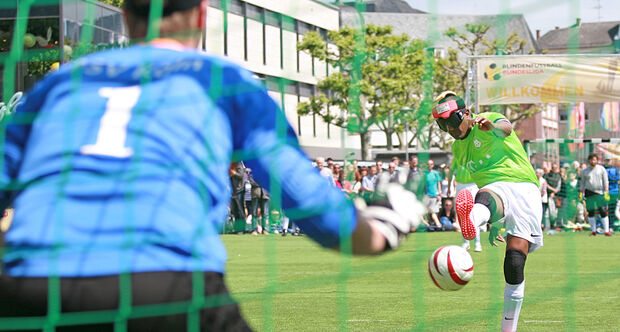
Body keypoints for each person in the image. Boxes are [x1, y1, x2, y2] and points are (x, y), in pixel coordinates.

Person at [0, 1, 425, 330]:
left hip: (32, 285)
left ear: (126, 15)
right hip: (164, 287)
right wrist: (385, 227)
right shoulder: (226, 81)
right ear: (202, 14)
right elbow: (309, 204)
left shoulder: (59, 83)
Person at [432, 91, 542, 332]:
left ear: (467, 114)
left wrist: (492, 126)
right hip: (494, 193)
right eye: (443, 125)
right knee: (486, 195)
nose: (450, 129)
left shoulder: (487, 119)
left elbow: (506, 128)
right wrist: (496, 222)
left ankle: (473, 218)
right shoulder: (459, 149)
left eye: (452, 121)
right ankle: (475, 218)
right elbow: (484, 184)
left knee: (515, 261)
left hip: (523, 188)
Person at [580, 154, 611, 236]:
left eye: (594, 159)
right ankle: (593, 230)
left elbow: (605, 181)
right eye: (591, 160)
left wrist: (606, 192)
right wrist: (580, 193)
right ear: (589, 160)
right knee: (591, 212)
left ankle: (607, 230)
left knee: (603, 211)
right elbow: (582, 183)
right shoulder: (585, 171)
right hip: (589, 192)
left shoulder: (601, 169)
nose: (593, 161)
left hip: (599, 192)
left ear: (597, 160)